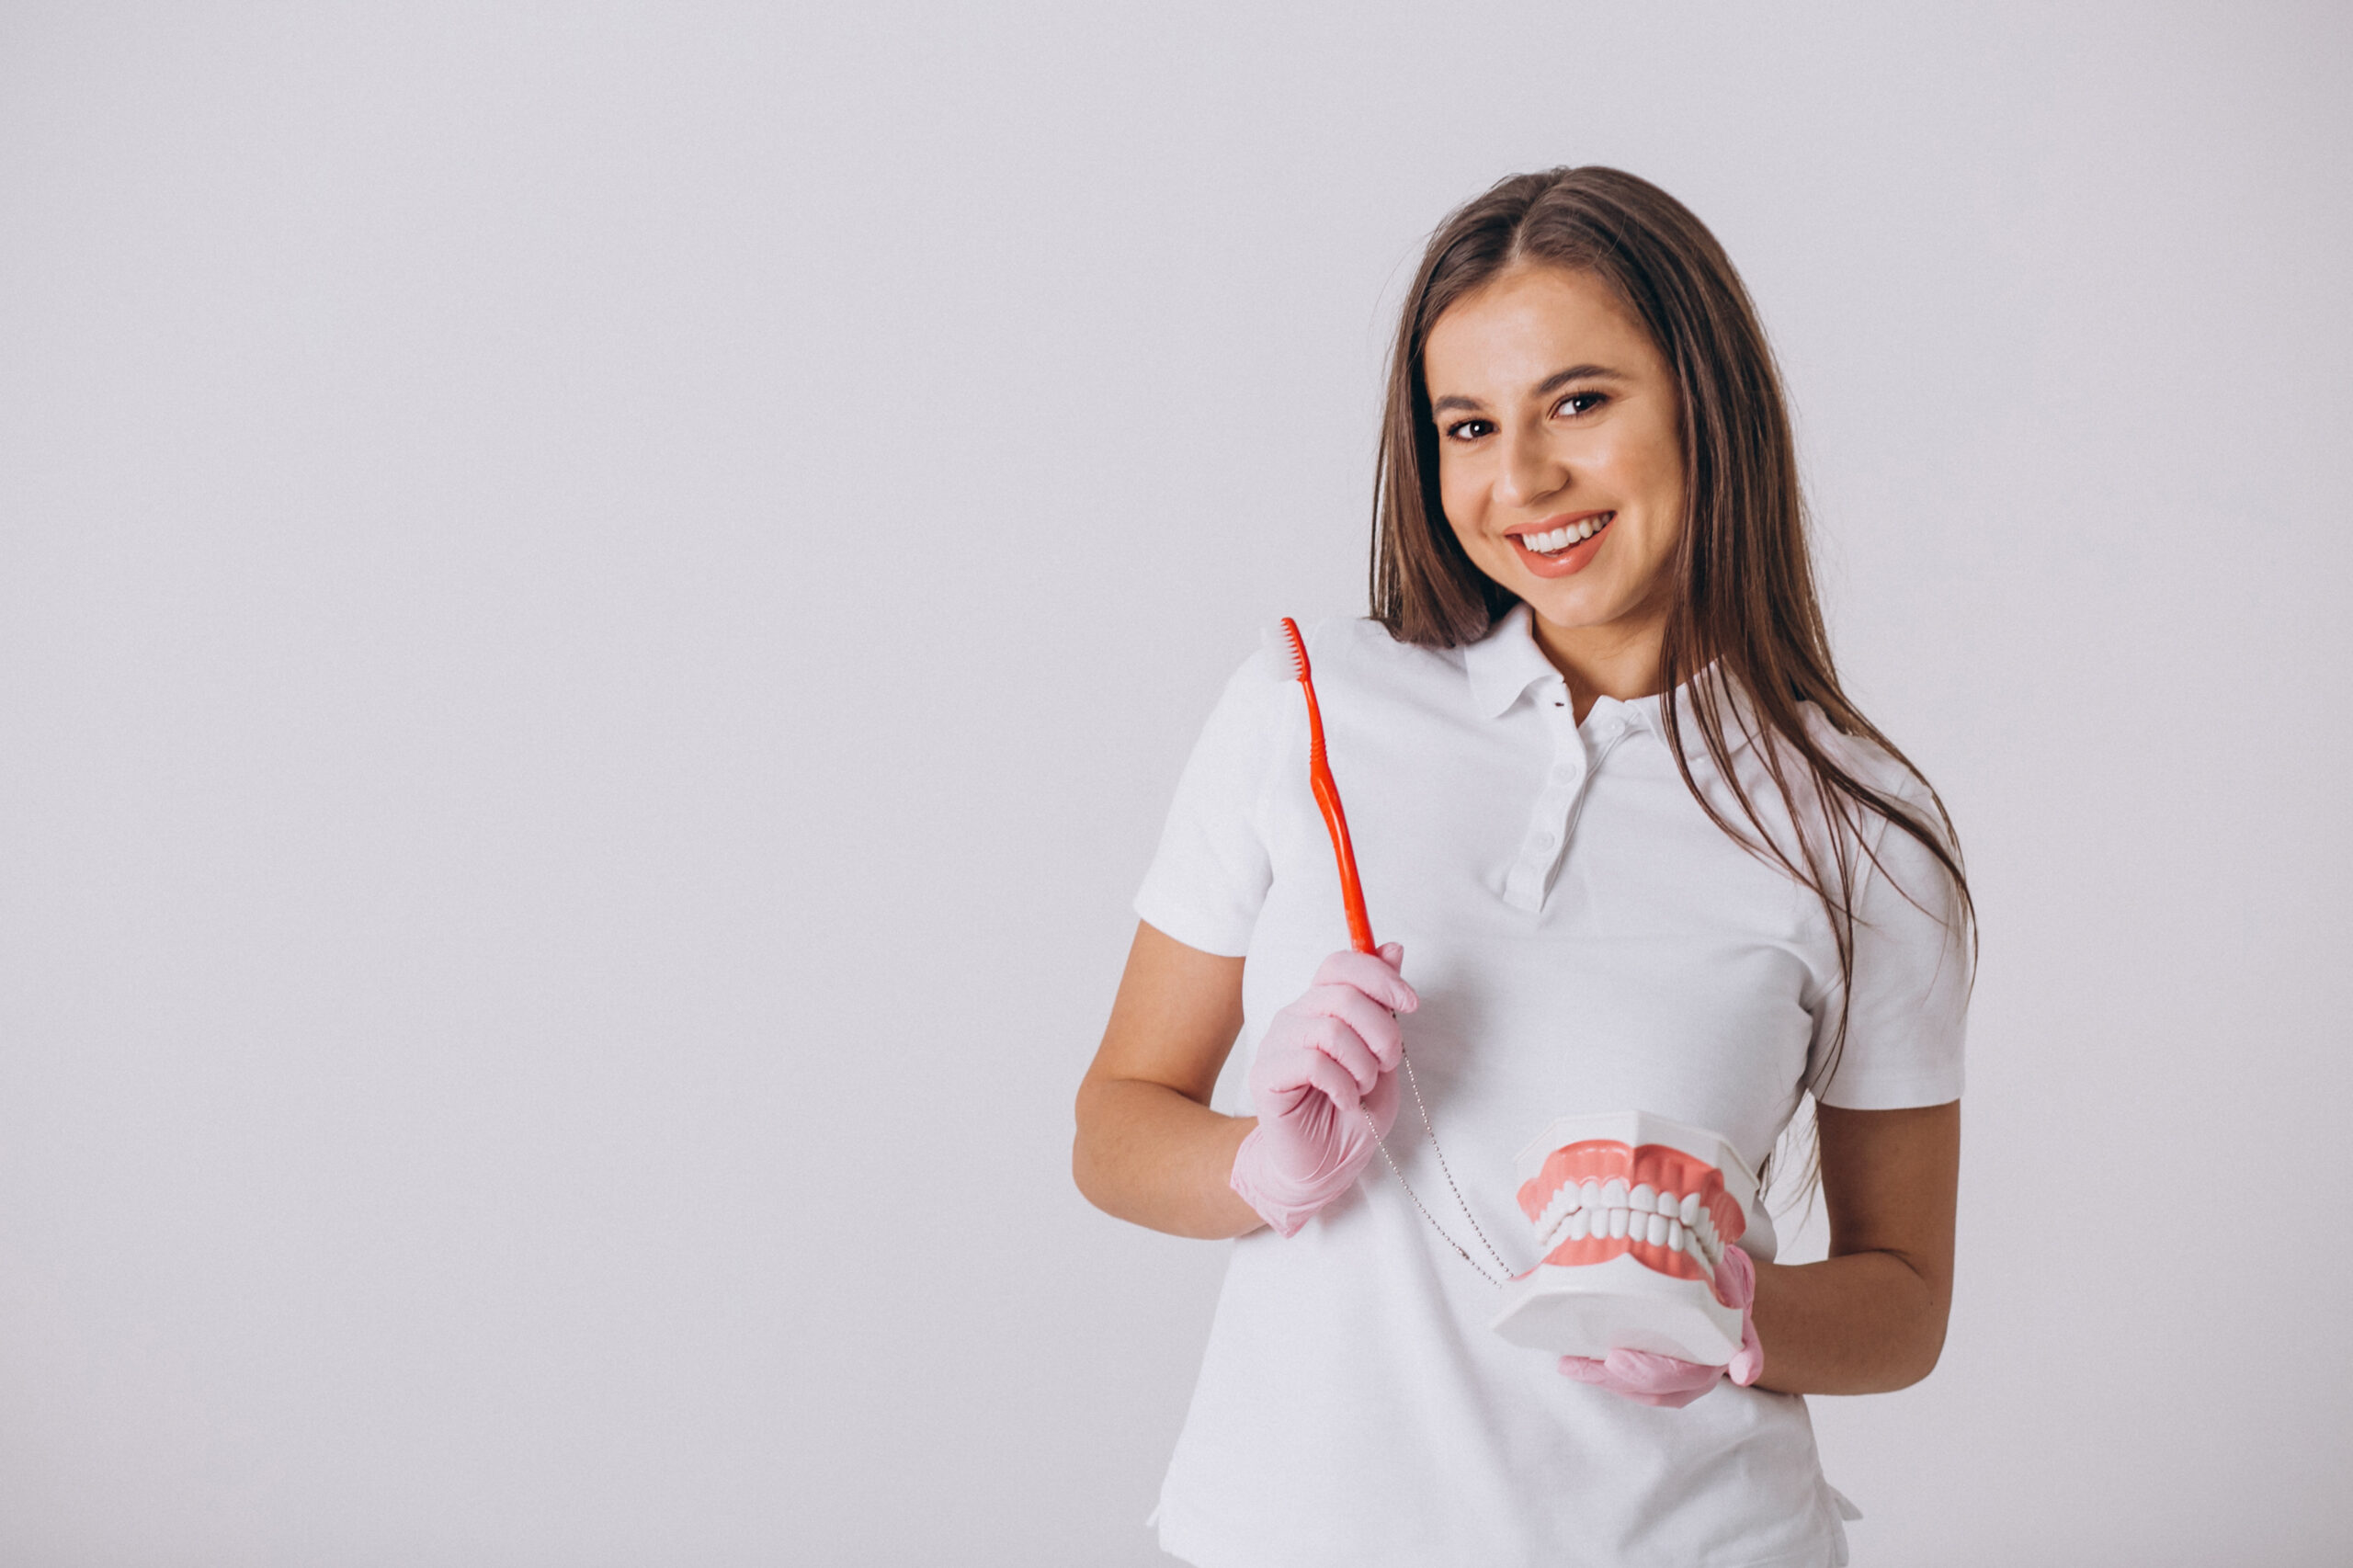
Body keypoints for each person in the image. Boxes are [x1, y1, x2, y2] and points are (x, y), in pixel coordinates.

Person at [1071, 165, 1972, 1568]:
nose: (1523, 480)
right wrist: (1264, 1161)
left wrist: (1734, 1310)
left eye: (1580, 401)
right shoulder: (1306, 708)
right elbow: (1115, 1127)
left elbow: (1905, 1300)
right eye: (1470, 425)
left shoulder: (1861, 826)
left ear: (1702, 400)